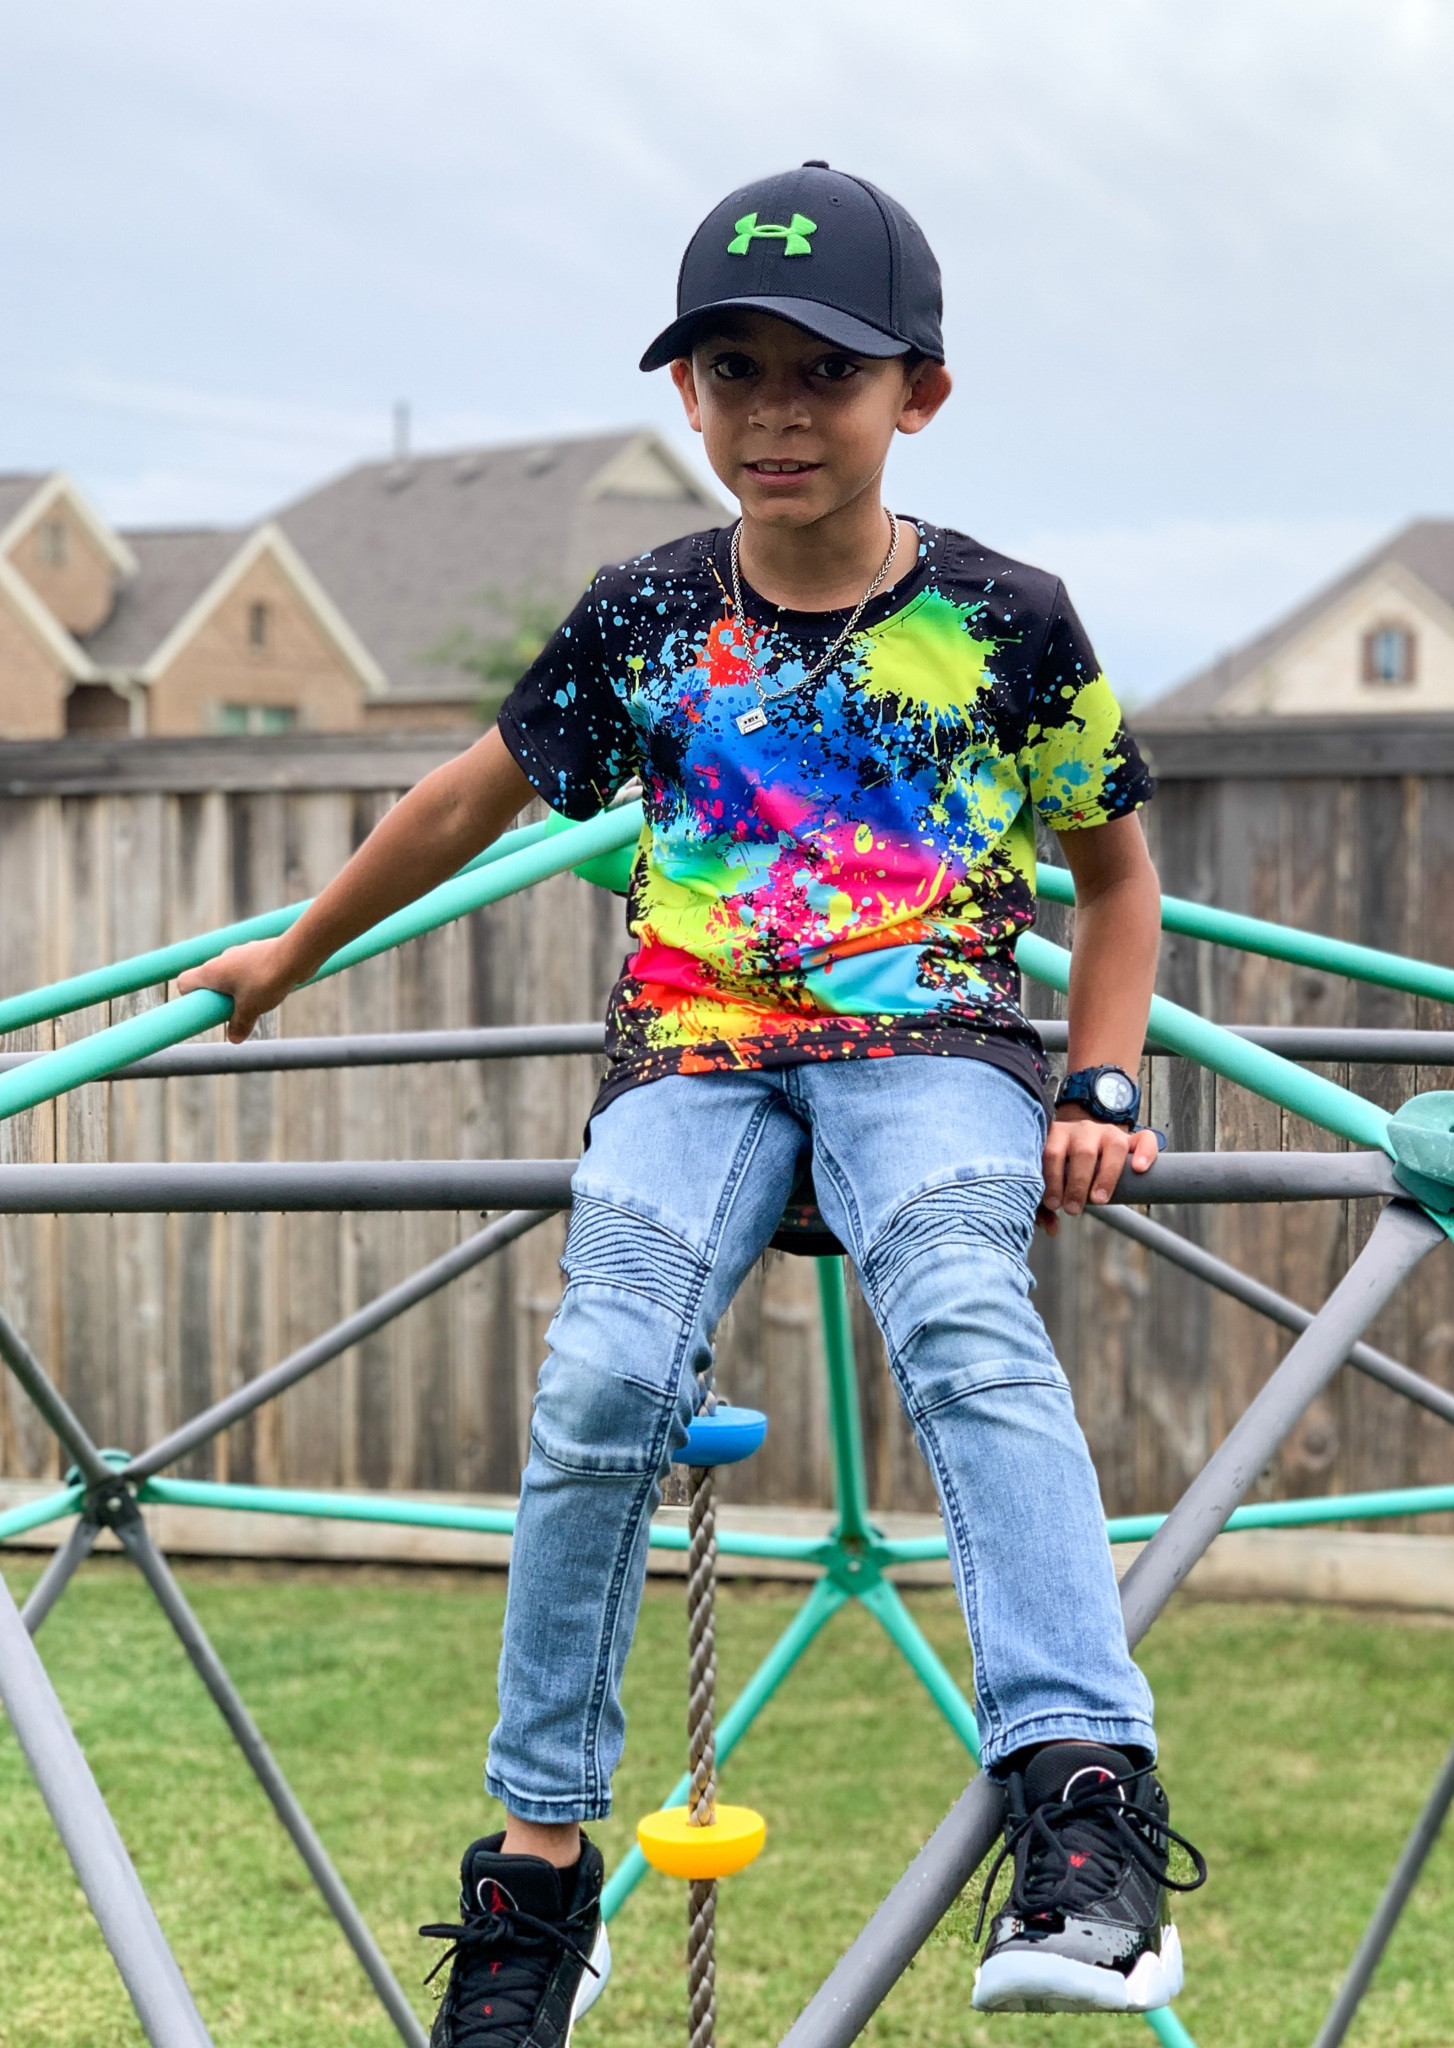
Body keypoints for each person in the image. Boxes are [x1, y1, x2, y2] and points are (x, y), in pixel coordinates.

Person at [182, 162, 1204, 2043]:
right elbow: (467, 798)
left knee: (969, 1314)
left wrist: (1109, 1072)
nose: (776, 413)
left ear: (922, 396)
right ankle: (537, 1884)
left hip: (934, 1051)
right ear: (688, 401)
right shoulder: (646, 613)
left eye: (826, 372)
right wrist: (293, 956)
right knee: (598, 1376)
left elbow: (1118, 880)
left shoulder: (1006, 621)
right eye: (732, 372)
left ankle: (1086, 1806)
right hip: (697, 1057)